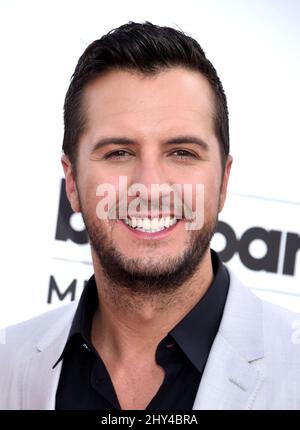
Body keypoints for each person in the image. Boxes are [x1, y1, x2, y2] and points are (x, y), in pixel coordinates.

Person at [0, 21, 299, 411]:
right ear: (71, 183)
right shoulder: (8, 366)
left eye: (182, 153)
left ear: (223, 182)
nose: (151, 186)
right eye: (118, 153)